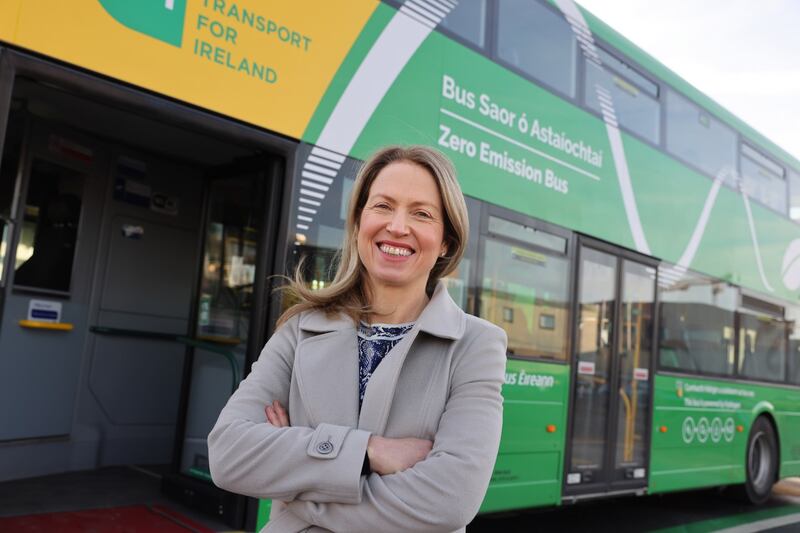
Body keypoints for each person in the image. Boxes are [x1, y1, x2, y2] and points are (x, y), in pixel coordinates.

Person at [208, 145, 507, 532]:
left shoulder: (478, 345)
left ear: (446, 241)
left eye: (421, 213)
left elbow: (449, 501)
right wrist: (368, 453)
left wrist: (297, 482)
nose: (398, 226)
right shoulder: (299, 329)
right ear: (358, 222)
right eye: (383, 206)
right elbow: (229, 455)